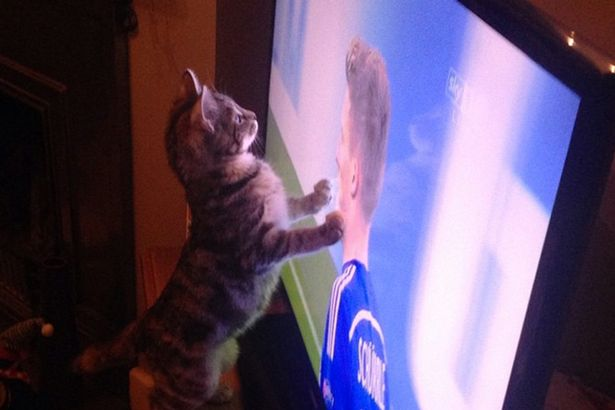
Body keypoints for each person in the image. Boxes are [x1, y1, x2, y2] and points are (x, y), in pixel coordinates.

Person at [320, 37, 391, 410]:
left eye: (342, 139)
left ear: (353, 178)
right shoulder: (373, 320)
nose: (335, 152)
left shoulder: (344, 292)